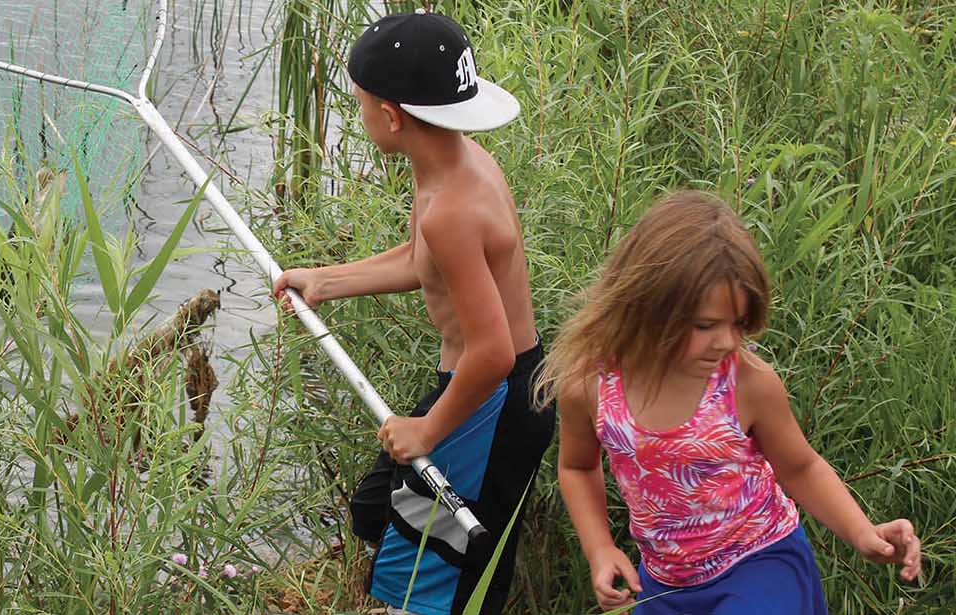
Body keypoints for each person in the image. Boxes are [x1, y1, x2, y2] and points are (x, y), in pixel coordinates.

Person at [273, 10, 551, 615]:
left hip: (491, 397)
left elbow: (492, 350)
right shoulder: (456, 163)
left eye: (362, 105)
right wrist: (325, 280)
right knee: (376, 507)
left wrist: (427, 429)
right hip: (486, 386)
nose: (363, 114)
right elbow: (422, 260)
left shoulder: (451, 208)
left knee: (430, 572)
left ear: (392, 117)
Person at [539, 190, 922, 614]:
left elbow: (800, 466)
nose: (726, 341)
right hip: (665, 585)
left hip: (760, 563)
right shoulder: (590, 384)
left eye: (738, 323)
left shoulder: (747, 383)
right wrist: (600, 549)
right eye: (705, 325)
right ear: (646, 305)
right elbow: (577, 466)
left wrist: (862, 532)